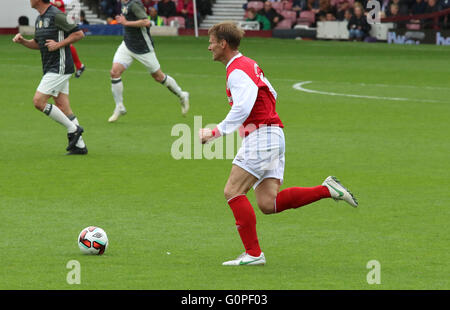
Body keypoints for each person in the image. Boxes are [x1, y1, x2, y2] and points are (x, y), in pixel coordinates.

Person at [199, 22, 358, 266]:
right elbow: (272, 93)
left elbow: (244, 105)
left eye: (211, 42)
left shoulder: (237, 70)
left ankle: (253, 254)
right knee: (268, 203)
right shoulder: (248, 64)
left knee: (232, 191)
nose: (208, 47)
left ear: (223, 44)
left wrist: (215, 131)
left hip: (262, 136)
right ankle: (328, 190)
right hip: (272, 134)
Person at [12, 0, 87, 155]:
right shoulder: (40, 18)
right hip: (50, 67)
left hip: (59, 67)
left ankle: (73, 129)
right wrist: (23, 42)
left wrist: (59, 44)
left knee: (38, 102)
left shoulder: (57, 15)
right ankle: (80, 146)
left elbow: (79, 33)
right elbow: (38, 44)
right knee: (63, 107)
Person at [108, 0, 189, 122]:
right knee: (114, 72)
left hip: (143, 48)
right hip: (128, 45)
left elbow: (146, 22)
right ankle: (119, 106)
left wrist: (126, 22)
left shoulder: (134, 4)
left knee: (158, 77)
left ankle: (182, 95)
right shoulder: (124, 3)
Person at [50, 0, 86, 78]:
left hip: (61, 22)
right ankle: (79, 66)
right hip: (54, 22)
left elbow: (59, 3)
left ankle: (79, 65)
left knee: (67, 44)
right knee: (64, 44)